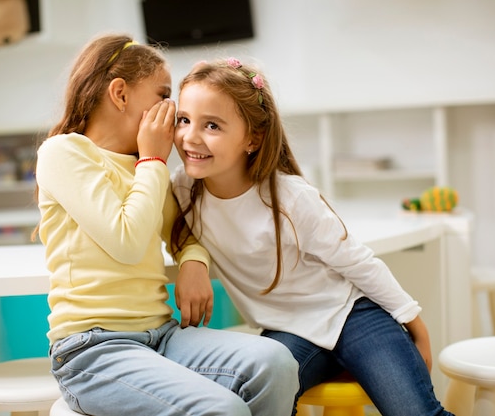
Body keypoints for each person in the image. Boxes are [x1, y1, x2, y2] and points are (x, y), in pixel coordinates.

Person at [171, 57, 455, 416]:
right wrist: (192, 262)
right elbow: (173, 233)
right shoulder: (182, 190)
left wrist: (415, 323)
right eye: (184, 120)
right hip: (288, 332)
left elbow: (358, 262)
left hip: (353, 315)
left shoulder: (291, 197)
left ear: (253, 139)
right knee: (259, 400)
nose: (189, 137)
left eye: (211, 125)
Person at [33, 35, 299, 416]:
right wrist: (154, 160)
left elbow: (182, 234)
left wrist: (194, 262)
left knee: (276, 363)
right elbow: (126, 240)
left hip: (162, 335)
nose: (172, 111)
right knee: (221, 408)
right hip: (92, 352)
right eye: (162, 96)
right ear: (120, 94)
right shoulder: (64, 153)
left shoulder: (143, 166)